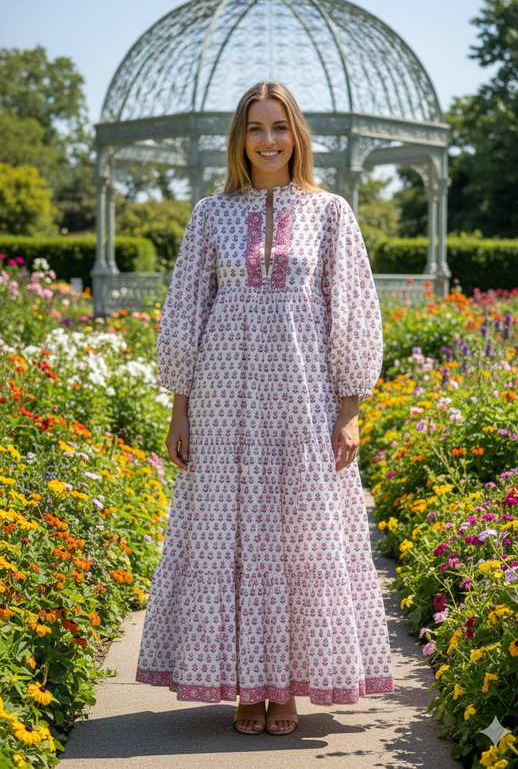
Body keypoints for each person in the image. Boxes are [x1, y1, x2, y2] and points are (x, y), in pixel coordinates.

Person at [136, 81, 393, 736]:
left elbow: (354, 309)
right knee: (232, 540)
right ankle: (246, 686)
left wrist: (350, 404)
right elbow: (185, 311)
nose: (268, 139)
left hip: (303, 401)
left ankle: (285, 689)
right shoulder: (209, 214)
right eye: (255, 128)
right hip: (222, 407)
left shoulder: (331, 212)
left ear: (296, 134)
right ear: (239, 138)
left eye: (279, 126)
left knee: (296, 539)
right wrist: (180, 407)